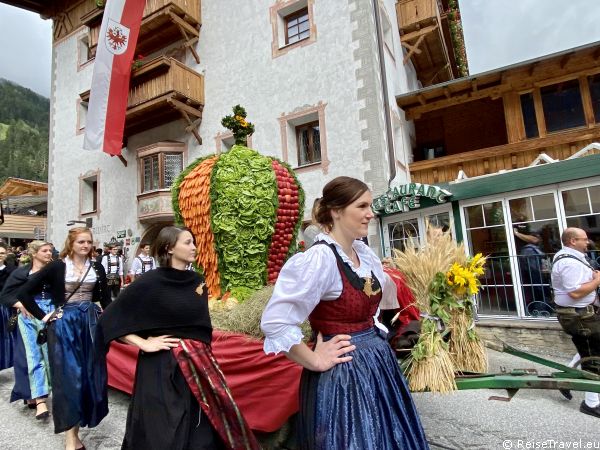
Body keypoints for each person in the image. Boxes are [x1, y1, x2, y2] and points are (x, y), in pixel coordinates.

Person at [260, 176, 428, 449]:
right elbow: (276, 323)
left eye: (370, 206)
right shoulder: (321, 259)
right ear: (336, 211)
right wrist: (314, 360)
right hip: (343, 376)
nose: (370, 214)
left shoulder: (364, 254)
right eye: (362, 206)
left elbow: (374, 304)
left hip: (378, 365)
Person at [97, 226, 260, 450]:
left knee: (201, 432)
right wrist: (143, 342)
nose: (194, 247)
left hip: (199, 364)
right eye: (187, 242)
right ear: (169, 248)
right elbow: (110, 320)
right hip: (161, 367)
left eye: (193, 242)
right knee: (163, 432)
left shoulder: (198, 281)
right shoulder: (149, 281)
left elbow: (201, 324)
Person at [16, 227, 111, 450]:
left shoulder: (96, 266)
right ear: (71, 243)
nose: (86, 246)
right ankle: (70, 439)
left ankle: (77, 432)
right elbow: (24, 293)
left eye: (88, 242)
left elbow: (106, 300)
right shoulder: (58, 266)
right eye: (81, 242)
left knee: (90, 377)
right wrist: (45, 316)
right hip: (65, 325)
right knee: (69, 379)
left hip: (90, 324)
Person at [0, 241, 54, 419]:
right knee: (33, 356)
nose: (48, 253)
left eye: (50, 250)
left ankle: (42, 393)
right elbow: (5, 295)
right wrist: (19, 303)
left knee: (51, 355)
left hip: (51, 315)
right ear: (34, 253)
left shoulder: (55, 270)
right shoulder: (21, 272)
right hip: (29, 317)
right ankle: (40, 400)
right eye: (44, 250)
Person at [551, 227, 600, 418]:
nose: (587, 242)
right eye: (584, 239)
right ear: (572, 241)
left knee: (589, 350)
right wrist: (597, 281)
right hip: (579, 317)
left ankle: (566, 376)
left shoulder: (570, 257)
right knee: (594, 359)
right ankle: (591, 404)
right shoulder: (570, 263)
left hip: (582, 314)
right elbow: (575, 292)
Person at [0, 242, 16, 370]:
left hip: (4, 309)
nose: (0, 255)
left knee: (5, 337)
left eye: (2, 253)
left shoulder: (11, 271)